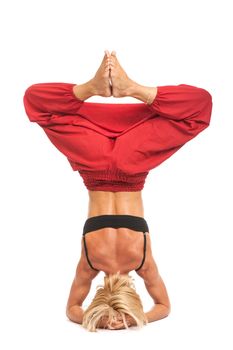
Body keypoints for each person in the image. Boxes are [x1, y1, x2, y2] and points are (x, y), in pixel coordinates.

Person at [23, 50, 213, 332]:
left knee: (200, 109)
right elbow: (73, 309)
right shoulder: (90, 264)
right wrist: (102, 318)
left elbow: (163, 306)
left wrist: (133, 318)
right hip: (102, 162)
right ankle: (128, 89)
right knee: (35, 102)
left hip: (127, 162)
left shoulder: (142, 262)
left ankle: (102, 88)